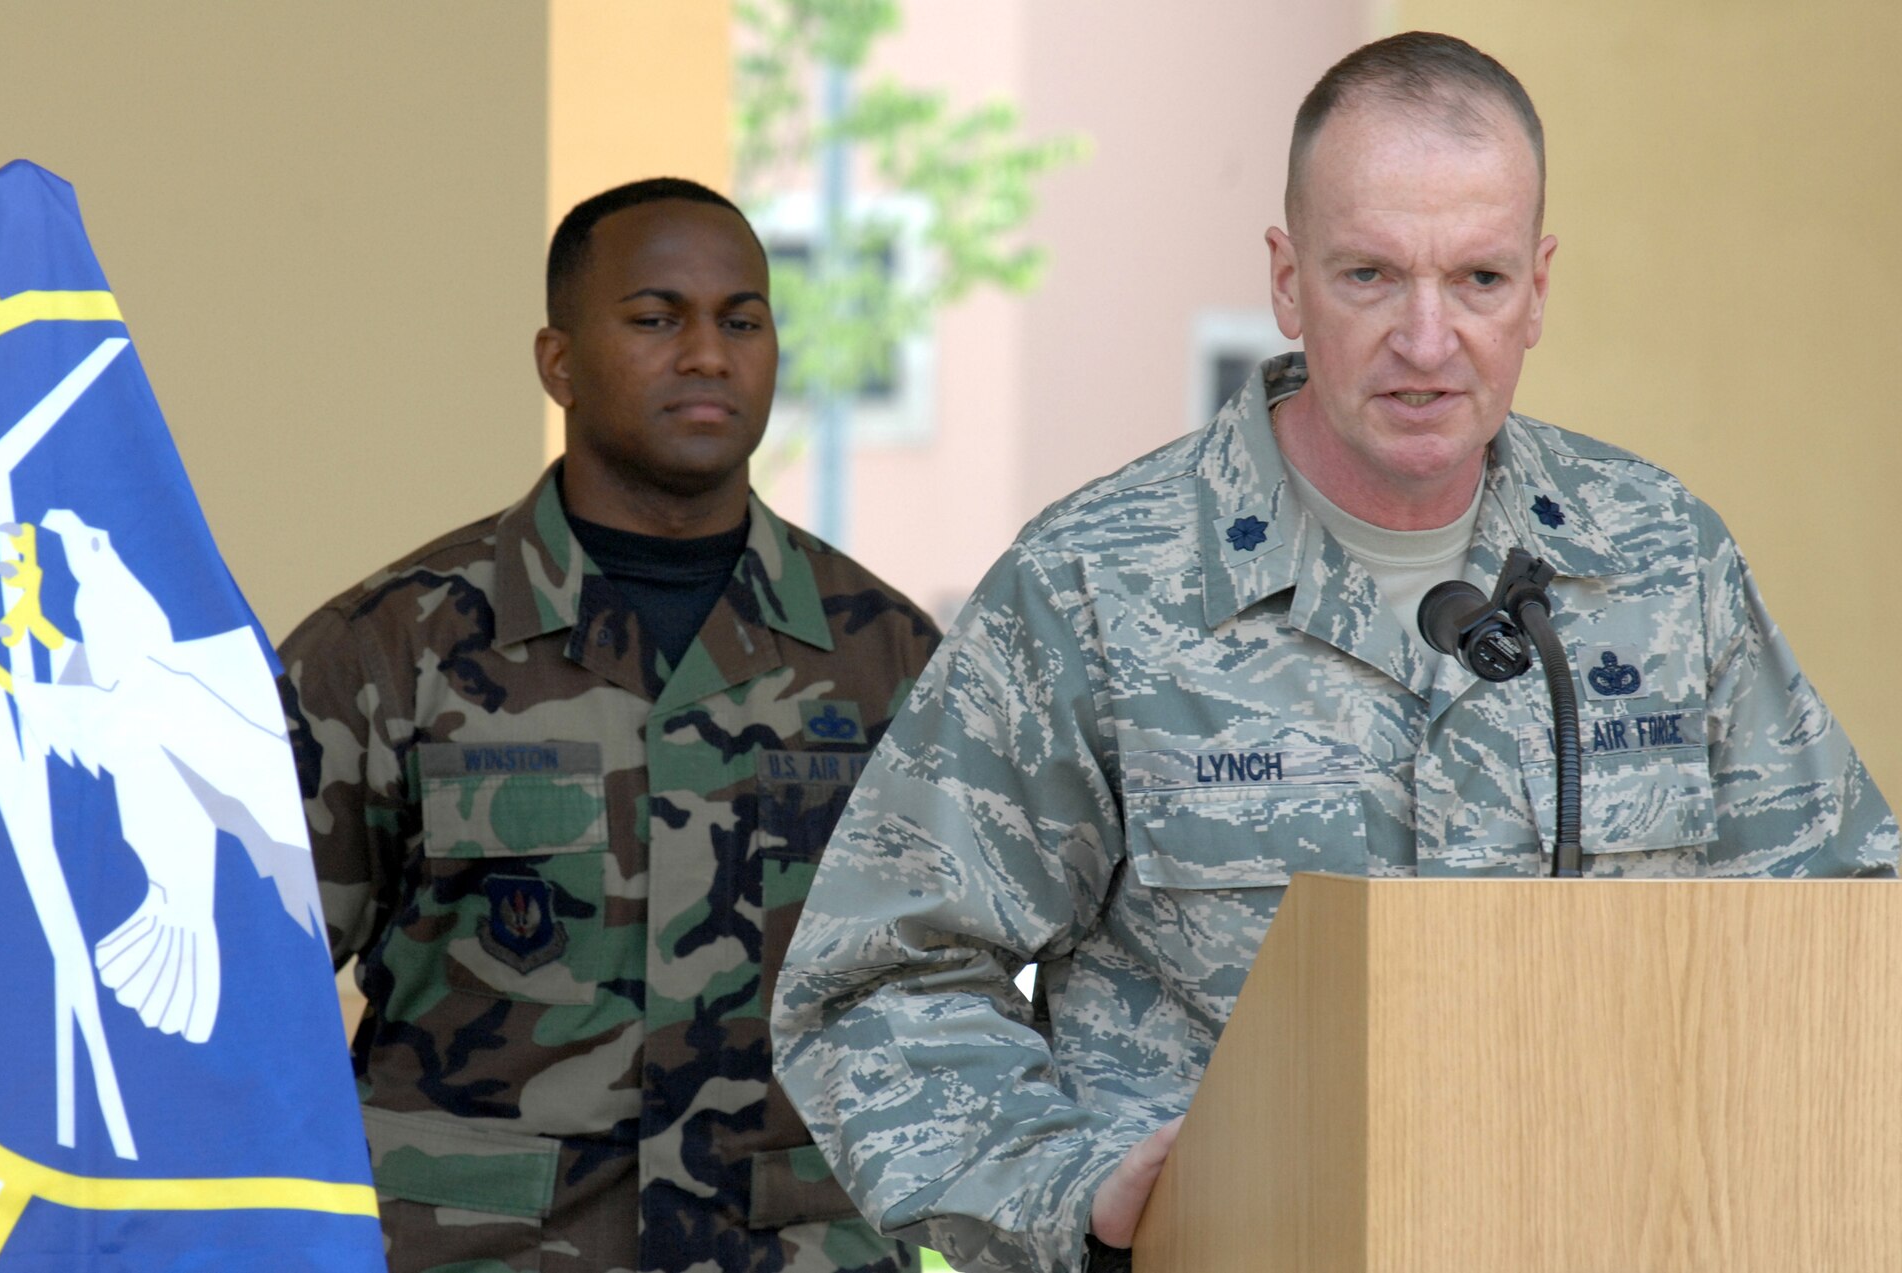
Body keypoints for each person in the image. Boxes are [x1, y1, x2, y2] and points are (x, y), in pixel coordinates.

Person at [770, 32, 1898, 1273]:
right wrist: (1068, 1189)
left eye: (1474, 279)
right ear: (1285, 279)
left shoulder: (1659, 562)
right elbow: (877, 978)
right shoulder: (1100, 580)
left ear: (1537, 286)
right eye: (1369, 275)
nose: (1426, 338)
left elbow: (1842, 937)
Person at [279, 177, 938, 1273]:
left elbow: (956, 992)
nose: (706, 354)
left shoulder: (885, 660)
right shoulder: (392, 649)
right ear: (559, 362)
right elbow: (239, 985)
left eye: (740, 319)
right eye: (653, 317)